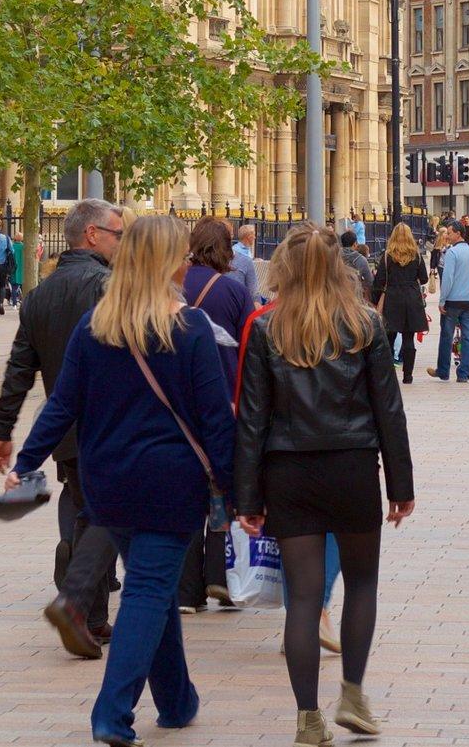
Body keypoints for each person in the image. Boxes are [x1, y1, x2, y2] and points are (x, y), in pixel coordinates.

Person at [9, 214, 235, 747]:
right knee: (148, 588)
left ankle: (177, 701)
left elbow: (62, 404)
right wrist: (238, 489)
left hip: (107, 482)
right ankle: (111, 714)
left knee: (151, 585)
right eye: (180, 254)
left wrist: (29, 458)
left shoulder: (96, 325)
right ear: (163, 263)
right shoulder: (191, 328)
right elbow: (215, 421)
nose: (186, 262)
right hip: (171, 487)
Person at [235, 228, 414, 746]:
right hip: (353, 467)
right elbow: (389, 412)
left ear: (283, 269)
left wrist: (247, 497)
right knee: (361, 584)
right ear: (341, 268)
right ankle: (353, 694)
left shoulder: (267, 328)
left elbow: (251, 420)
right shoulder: (365, 324)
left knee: (304, 600)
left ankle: (308, 718)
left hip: (288, 473)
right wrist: (399, 484)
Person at [0, 199, 125, 659]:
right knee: (106, 513)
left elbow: (20, 368)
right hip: (107, 423)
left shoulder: (39, 294)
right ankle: (83, 598)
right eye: (117, 234)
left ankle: (86, 592)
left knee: (84, 501)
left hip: (62, 424)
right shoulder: (108, 287)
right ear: (92, 235)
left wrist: (2, 427)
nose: (121, 243)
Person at [177, 218, 254, 613]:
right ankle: (218, 575)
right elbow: (249, 350)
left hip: (179, 403)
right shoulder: (234, 290)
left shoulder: (175, 285)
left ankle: (186, 591)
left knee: (188, 489)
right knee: (222, 486)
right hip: (225, 398)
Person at [368, 224, 429, 386]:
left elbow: (379, 281)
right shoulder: (416, 255)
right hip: (411, 298)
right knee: (409, 339)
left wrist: (375, 301)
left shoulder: (388, 256)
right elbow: (424, 278)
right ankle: (408, 375)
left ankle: (388, 375)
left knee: (389, 338)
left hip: (392, 299)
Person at [429, 224, 469, 383]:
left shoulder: (452, 252)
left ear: (458, 234)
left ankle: (443, 371)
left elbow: (448, 278)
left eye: (450, 233)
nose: (447, 235)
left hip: (453, 301)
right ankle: (464, 373)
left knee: (446, 335)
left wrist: (442, 299)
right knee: (467, 337)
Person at [230, 224, 261, 298]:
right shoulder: (235, 250)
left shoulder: (247, 250)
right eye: (253, 235)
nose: (255, 237)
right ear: (248, 237)